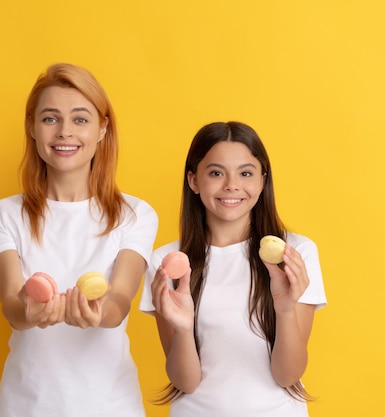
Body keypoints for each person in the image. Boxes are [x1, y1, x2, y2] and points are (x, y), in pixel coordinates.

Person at [0, 63, 158, 417]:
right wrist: (30, 312)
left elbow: (120, 298)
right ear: (32, 126)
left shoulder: (136, 215)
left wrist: (99, 313)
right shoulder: (1, 216)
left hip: (112, 406)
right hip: (26, 406)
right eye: (50, 119)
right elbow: (11, 303)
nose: (65, 132)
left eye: (80, 119)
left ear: (103, 128)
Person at [140, 121, 327, 417]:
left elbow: (287, 376)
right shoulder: (168, 262)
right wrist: (183, 327)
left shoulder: (295, 253)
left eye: (246, 173)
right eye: (216, 173)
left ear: (263, 181)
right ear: (193, 181)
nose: (231, 185)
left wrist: (286, 308)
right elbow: (184, 382)